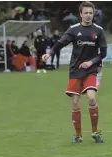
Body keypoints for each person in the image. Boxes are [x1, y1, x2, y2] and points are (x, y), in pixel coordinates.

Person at [42, 1, 107, 143]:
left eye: (91, 13)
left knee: (91, 97)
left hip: (91, 70)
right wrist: (50, 52)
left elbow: (103, 53)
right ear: (81, 14)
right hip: (75, 70)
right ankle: (78, 135)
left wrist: (91, 62)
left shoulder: (99, 30)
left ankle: (95, 132)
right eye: (86, 13)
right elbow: (61, 42)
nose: (88, 15)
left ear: (93, 14)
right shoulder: (73, 29)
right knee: (76, 102)